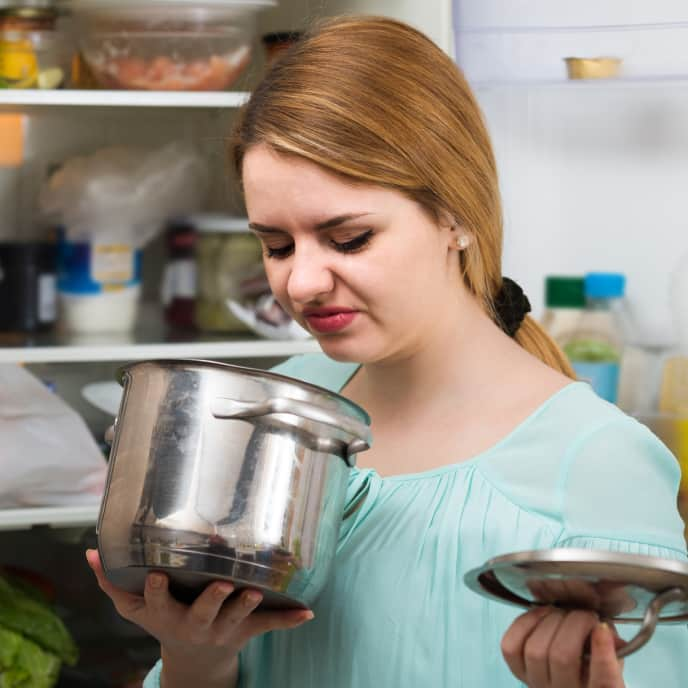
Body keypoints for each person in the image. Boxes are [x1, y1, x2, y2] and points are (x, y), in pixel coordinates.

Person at [86, 15, 688, 688]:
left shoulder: (598, 465)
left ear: (453, 214)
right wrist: (196, 656)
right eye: (277, 245)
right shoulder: (281, 407)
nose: (302, 282)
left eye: (348, 238)